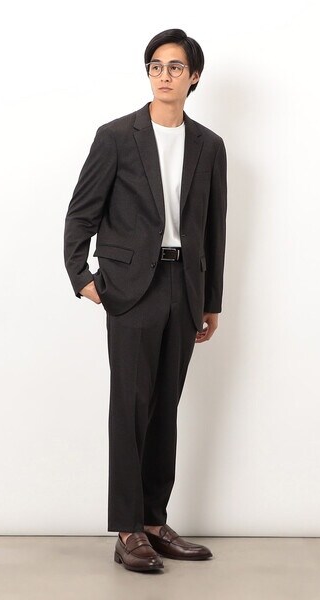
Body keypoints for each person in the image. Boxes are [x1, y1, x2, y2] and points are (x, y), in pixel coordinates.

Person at [64, 28, 227, 572]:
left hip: (184, 288)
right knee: (130, 407)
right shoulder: (116, 137)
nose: (164, 75)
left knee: (164, 409)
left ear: (194, 77)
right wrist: (82, 277)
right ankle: (128, 529)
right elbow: (81, 213)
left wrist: (211, 301)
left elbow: (214, 229)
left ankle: (155, 522)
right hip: (131, 289)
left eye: (175, 67)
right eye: (156, 65)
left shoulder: (209, 145)